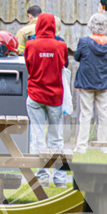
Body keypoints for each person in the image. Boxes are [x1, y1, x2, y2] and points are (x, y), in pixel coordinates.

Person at [23, 13, 69, 187]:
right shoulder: (61, 46)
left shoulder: (30, 45)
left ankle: (41, 177)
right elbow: (63, 64)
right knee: (56, 138)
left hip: (35, 95)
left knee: (37, 137)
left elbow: (28, 67)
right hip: (54, 96)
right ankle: (59, 179)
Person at [74, 12, 107, 153]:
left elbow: (76, 57)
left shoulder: (84, 42)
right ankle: (105, 147)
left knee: (86, 114)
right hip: (104, 83)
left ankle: (81, 147)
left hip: (86, 83)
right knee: (104, 114)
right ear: (105, 27)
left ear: (91, 26)